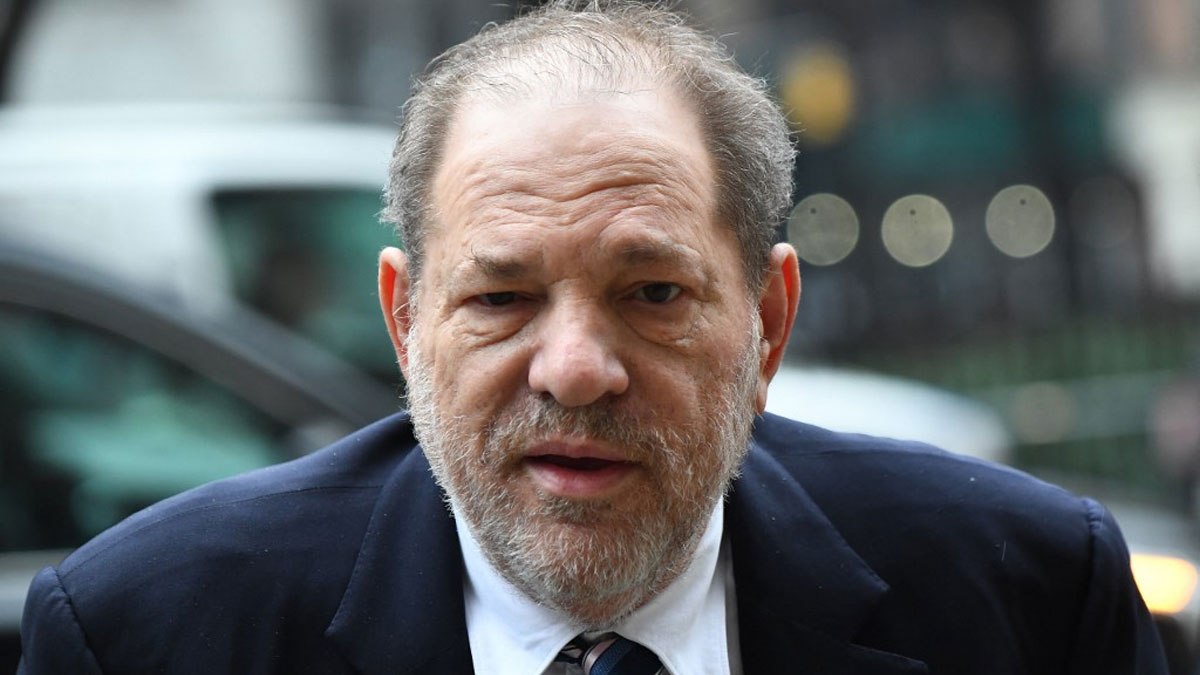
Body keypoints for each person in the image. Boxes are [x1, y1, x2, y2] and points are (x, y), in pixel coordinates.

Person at [19, 1, 1166, 673]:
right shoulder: (145, 634)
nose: (574, 370)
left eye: (653, 293)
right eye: (501, 298)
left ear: (768, 324)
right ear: (406, 322)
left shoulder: (1026, 596)